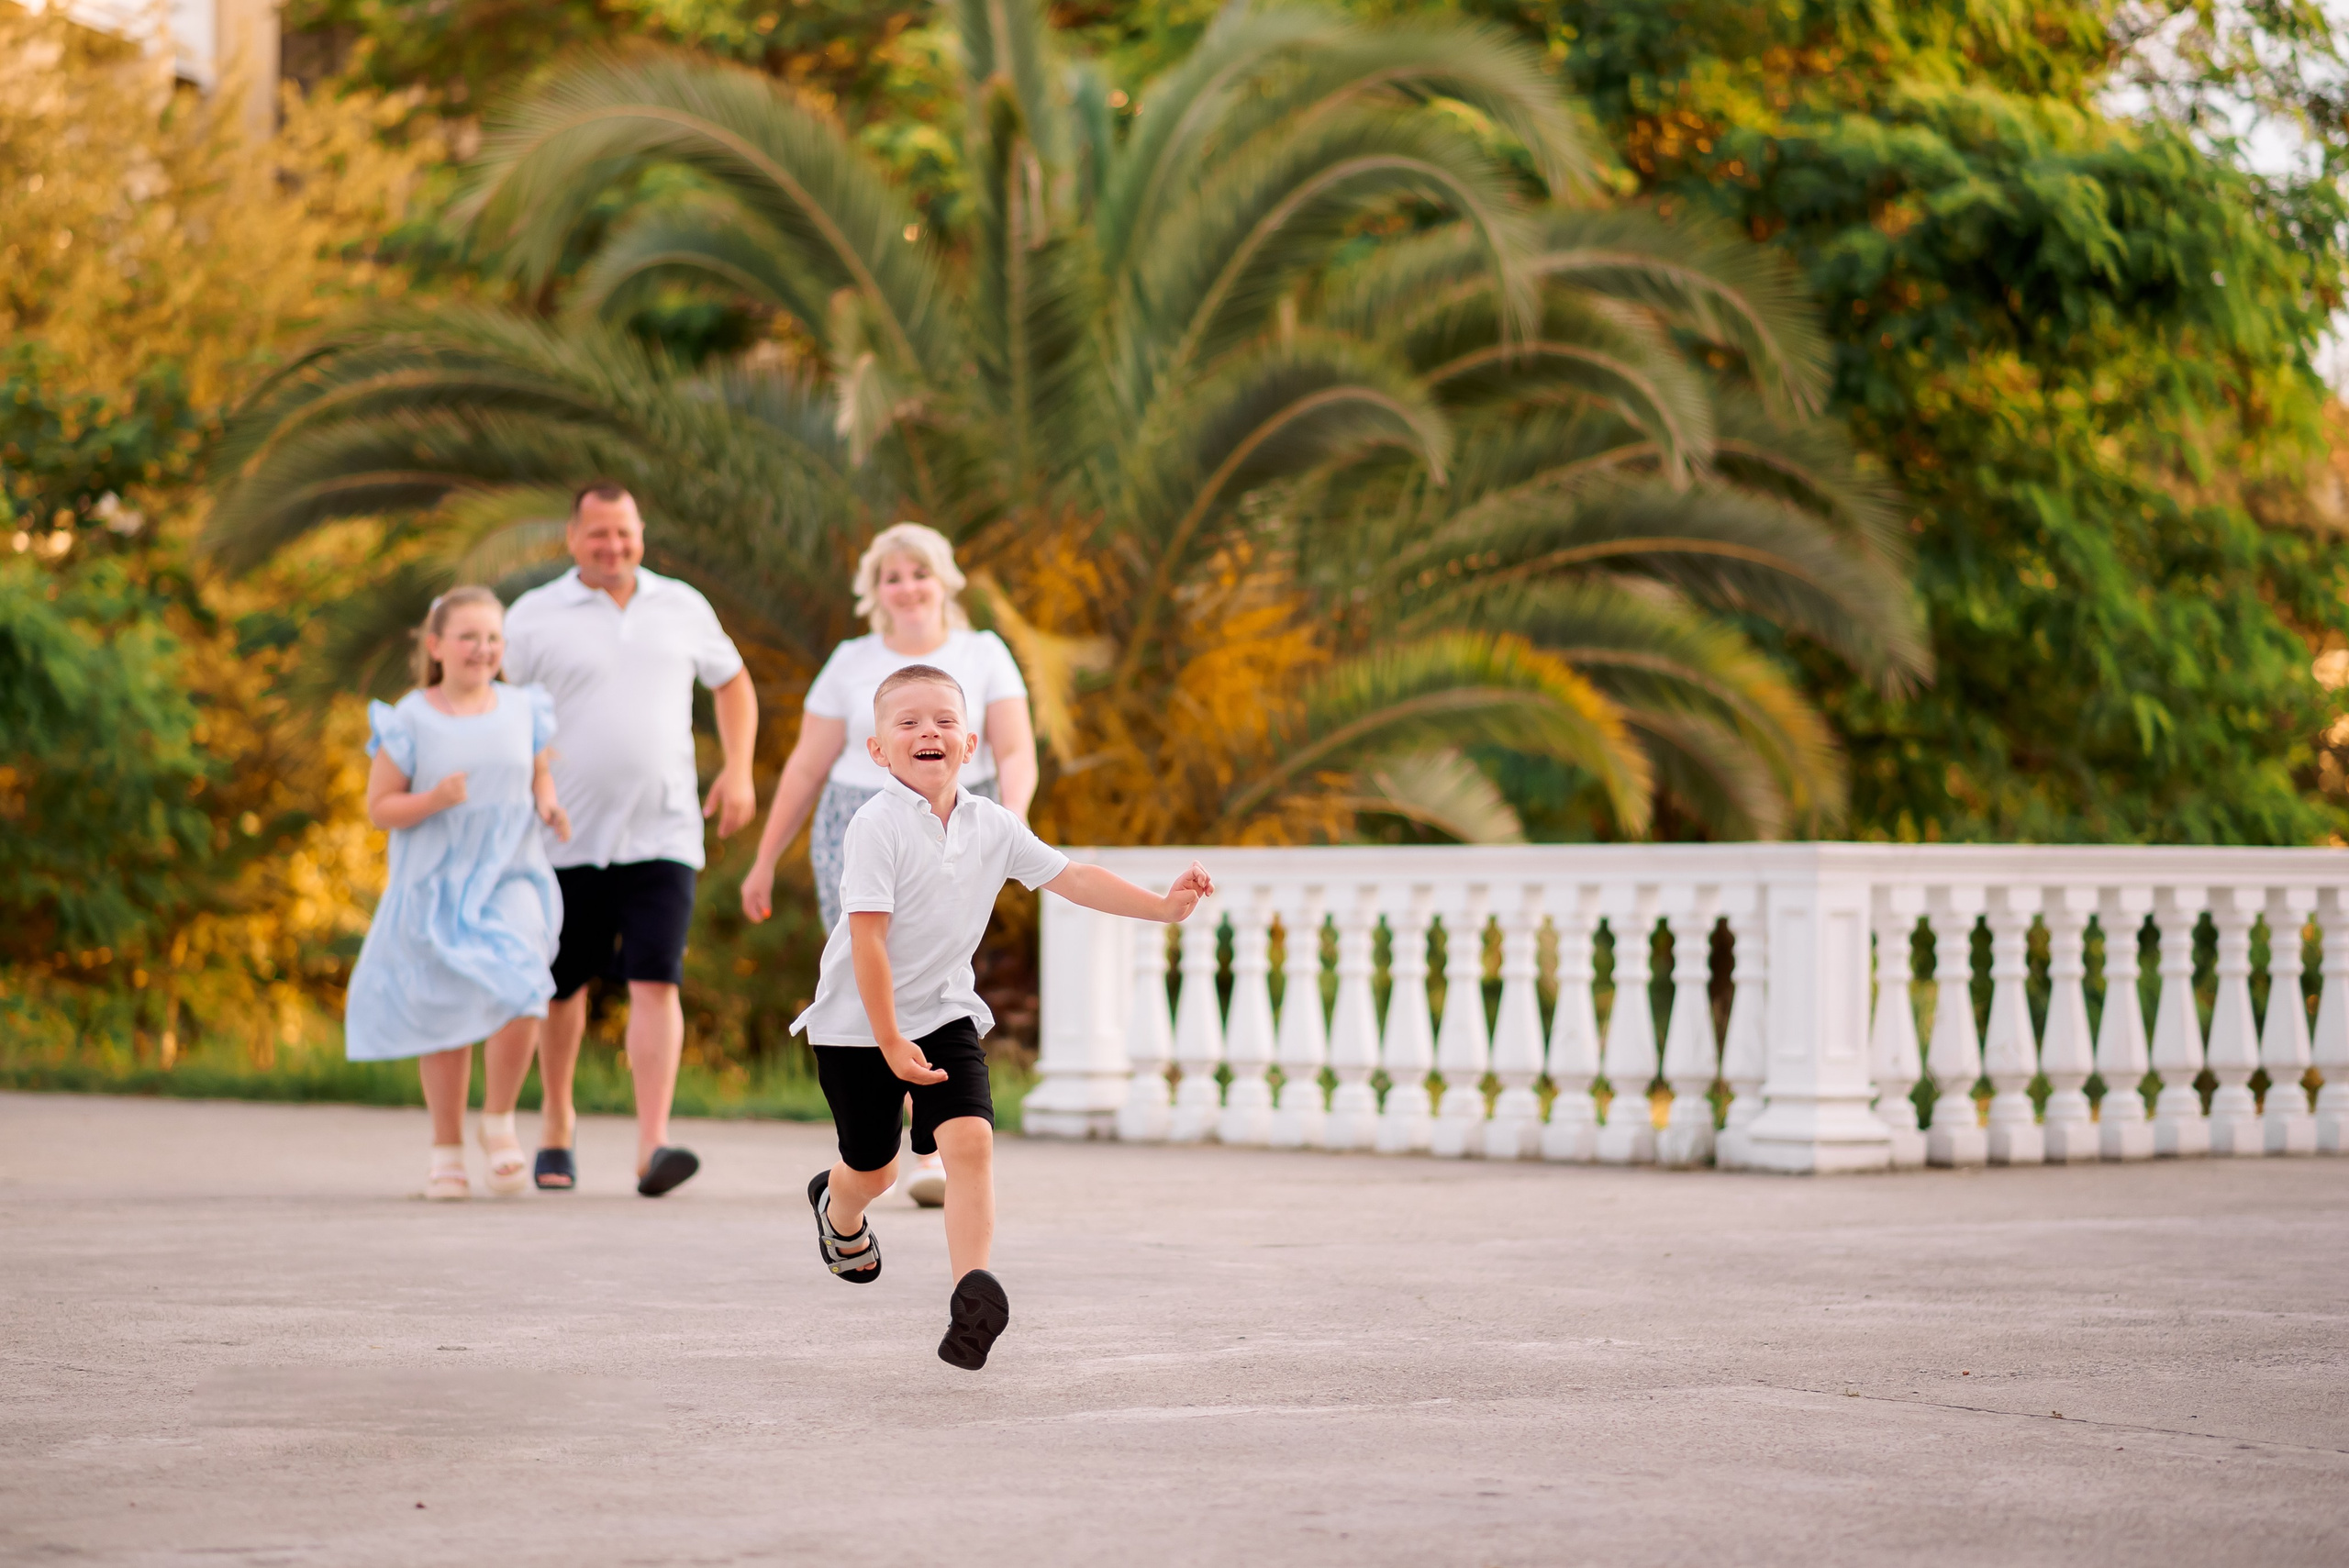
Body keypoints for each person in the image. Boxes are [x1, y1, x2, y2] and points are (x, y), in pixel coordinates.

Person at [791, 664, 1211, 1370]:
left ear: (972, 743)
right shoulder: (876, 825)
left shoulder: (992, 823)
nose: (929, 731)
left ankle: (972, 1292)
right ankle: (839, 1209)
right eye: (909, 722)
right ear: (877, 751)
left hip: (946, 1013)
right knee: (876, 1170)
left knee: (971, 1144)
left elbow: (1072, 876)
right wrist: (889, 1037)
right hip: (861, 1023)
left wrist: (1163, 906)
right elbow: (866, 939)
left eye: (945, 721)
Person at [742, 521, 1037, 1207]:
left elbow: (1014, 749)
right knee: (872, 968)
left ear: (945, 581)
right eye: (891, 576)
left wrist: (1011, 820)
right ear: (874, 589)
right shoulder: (849, 659)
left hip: (957, 816)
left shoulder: (983, 651)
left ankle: (933, 1145)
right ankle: (890, 1141)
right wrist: (764, 859)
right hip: (855, 819)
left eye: (919, 572)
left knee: (939, 970)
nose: (907, 587)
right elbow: (807, 764)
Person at [504, 482, 759, 1197]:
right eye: (598, 535)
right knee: (562, 988)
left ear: (641, 532)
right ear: (572, 537)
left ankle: (653, 1145)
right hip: (562, 837)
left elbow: (734, 682)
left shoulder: (681, 605)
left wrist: (738, 771)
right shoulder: (533, 617)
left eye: (625, 533)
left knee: (657, 978)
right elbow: (504, 711)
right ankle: (556, 1124)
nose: (613, 547)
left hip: (665, 829)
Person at [346, 586, 570, 1200]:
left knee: (526, 985)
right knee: (444, 1012)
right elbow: (380, 806)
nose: (483, 648)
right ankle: (445, 1150)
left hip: (508, 873)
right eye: (469, 636)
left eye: (493, 637)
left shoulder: (525, 706)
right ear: (437, 644)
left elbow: (539, 768)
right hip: (436, 880)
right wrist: (432, 800)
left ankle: (498, 1120)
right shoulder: (410, 717)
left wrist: (548, 804)